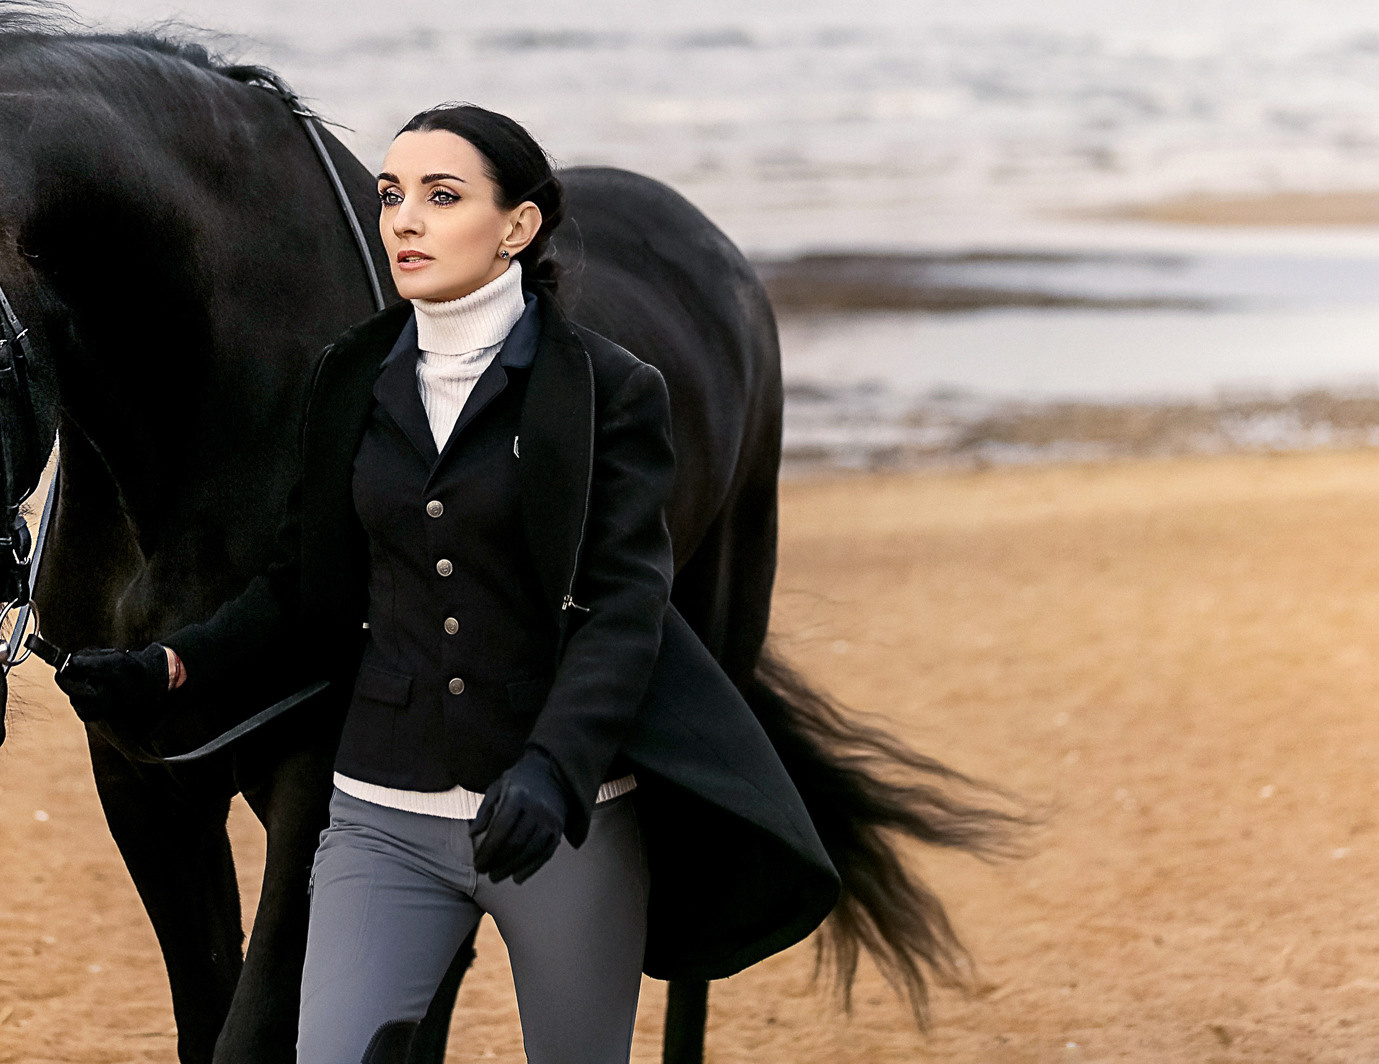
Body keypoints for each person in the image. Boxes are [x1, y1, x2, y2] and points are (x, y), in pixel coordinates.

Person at [55, 104, 837, 1063]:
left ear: (518, 225)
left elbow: (626, 609)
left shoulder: (610, 389)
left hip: (561, 830)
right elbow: (307, 587)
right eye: (390, 196)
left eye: (441, 195)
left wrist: (555, 771)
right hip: (379, 822)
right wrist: (172, 666)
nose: (404, 221)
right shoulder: (346, 376)